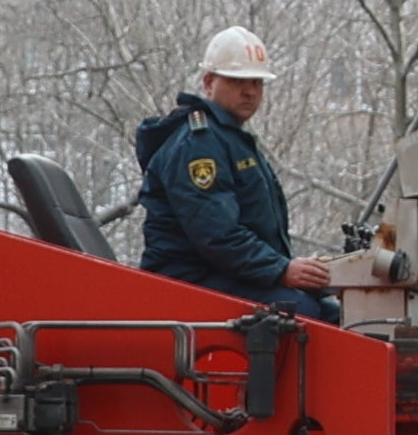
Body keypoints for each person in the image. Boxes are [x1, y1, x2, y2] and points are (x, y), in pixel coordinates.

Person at [137, 28, 341, 323]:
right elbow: (216, 234)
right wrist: (281, 270)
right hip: (189, 283)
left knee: (340, 316)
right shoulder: (199, 144)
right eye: (237, 81)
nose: (250, 91)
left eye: (257, 82)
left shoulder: (230, 139)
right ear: (209, 82)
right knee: (300, 316)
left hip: (227, 274)